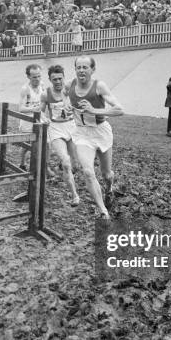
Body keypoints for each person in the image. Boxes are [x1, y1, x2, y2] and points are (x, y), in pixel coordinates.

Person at [67, 56, 124, 220]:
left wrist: (94, 111)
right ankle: (103, 211)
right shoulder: (70, 85)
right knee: (87, 171)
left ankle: (109, 188)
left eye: (85, 67)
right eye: (78, 67)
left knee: (106, 174)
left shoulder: (99, 86)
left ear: (93, 70)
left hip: (101, 132)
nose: (81, 70)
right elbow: (59, 96)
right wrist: (66, 106)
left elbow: (120, 110)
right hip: (82, 134)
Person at [40, 64, 80, 206]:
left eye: (60, 78)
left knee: (75, 164)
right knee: (66, 162)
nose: (57, 82)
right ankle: (74, 195)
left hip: (71, 127)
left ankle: (66, 170)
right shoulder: (46, 94)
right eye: (54, 79)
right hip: (56, 129)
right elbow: (40, 111)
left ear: (64, 78)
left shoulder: (70, 90)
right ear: (50, 80)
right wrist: (43, 118)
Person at [18, 64, 45, 170]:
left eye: (39, 76)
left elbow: (42, 101)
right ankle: (22, 163)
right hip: (27, 121)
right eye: (34, 77)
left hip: (38, 119)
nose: (37, 79)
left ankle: (38, 166)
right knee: (26, 145)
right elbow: (21, 108)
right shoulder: (25, 89)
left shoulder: (42, 85)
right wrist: (34, 109)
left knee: (40, 143)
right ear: (29, 77)